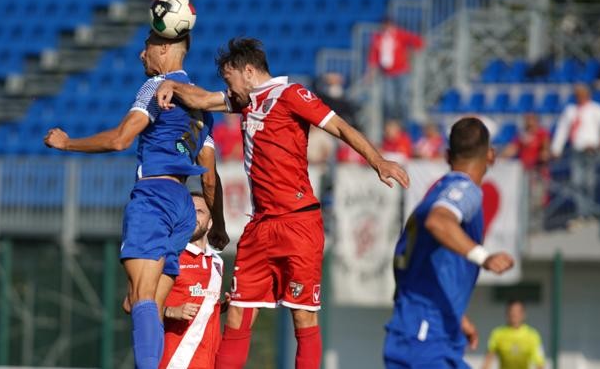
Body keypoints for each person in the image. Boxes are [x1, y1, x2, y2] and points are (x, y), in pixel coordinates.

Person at [155, 37, 409, 369]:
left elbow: (342, 128)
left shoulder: (291, 95)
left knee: (304, 319)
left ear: (247, 71)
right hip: (260, 225)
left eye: (229, 80)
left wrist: (378, 161)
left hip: (298, 222)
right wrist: (170, 84)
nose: (227, 90)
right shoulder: (244, 101)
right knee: (237, 317)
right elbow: (201, 98)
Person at [43, 31, 225, 369]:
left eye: (148, 48)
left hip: (154, 197)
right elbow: (210, 178)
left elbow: (119, 140)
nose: (142, 55)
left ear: (166, 49)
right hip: (183, 206)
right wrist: (221, 227)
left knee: (140, 298)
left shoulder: (157, 87)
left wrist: (68, 144)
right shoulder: (204, 111)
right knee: (152, 304)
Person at [384, 117, 515, 368]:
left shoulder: (432, 196)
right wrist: (483, 257)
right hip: (427, 335)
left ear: (447, 155)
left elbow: (405, 261)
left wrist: (455, 314)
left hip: (420, 329)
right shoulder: (465, 189)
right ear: (491, 155)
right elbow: (439, 222)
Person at [160, 192, 226, 369]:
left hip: (209, 362)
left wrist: (222, 306)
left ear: (210, 223)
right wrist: (171, 311)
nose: (193, 216)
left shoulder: (218, 262)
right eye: (189, 211)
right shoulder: (169, 256)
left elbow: (201, 308)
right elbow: (135, 302)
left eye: (199, 211)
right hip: (174, 361)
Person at [551, 84, 600, 219]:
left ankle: (591, 211)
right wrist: (556, 148)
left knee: (590, 182)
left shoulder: (597, 109)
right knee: (577, 182)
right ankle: (581, 212)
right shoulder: (571, 110)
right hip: (577, 150)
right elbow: (562, 130)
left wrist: (599, 144)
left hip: (592, 150)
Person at [366, 17, 424, 122]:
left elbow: (417, 41)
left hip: (402, 72)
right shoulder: (378, 38)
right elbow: (373, 57)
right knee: (389, 101)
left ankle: (404, 124)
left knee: (403, 100)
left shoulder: (400, 34)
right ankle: (390, 124)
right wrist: (370, 73)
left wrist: (411, 54)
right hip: (387, 74)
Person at [481, 300, 545, 369]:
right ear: (507, 314)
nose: (514, 314)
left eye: (518, 312)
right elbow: (488, 359)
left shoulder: (532, 335)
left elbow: (539, 363)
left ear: (523, 314)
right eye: (512, 311)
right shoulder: (498, 333)